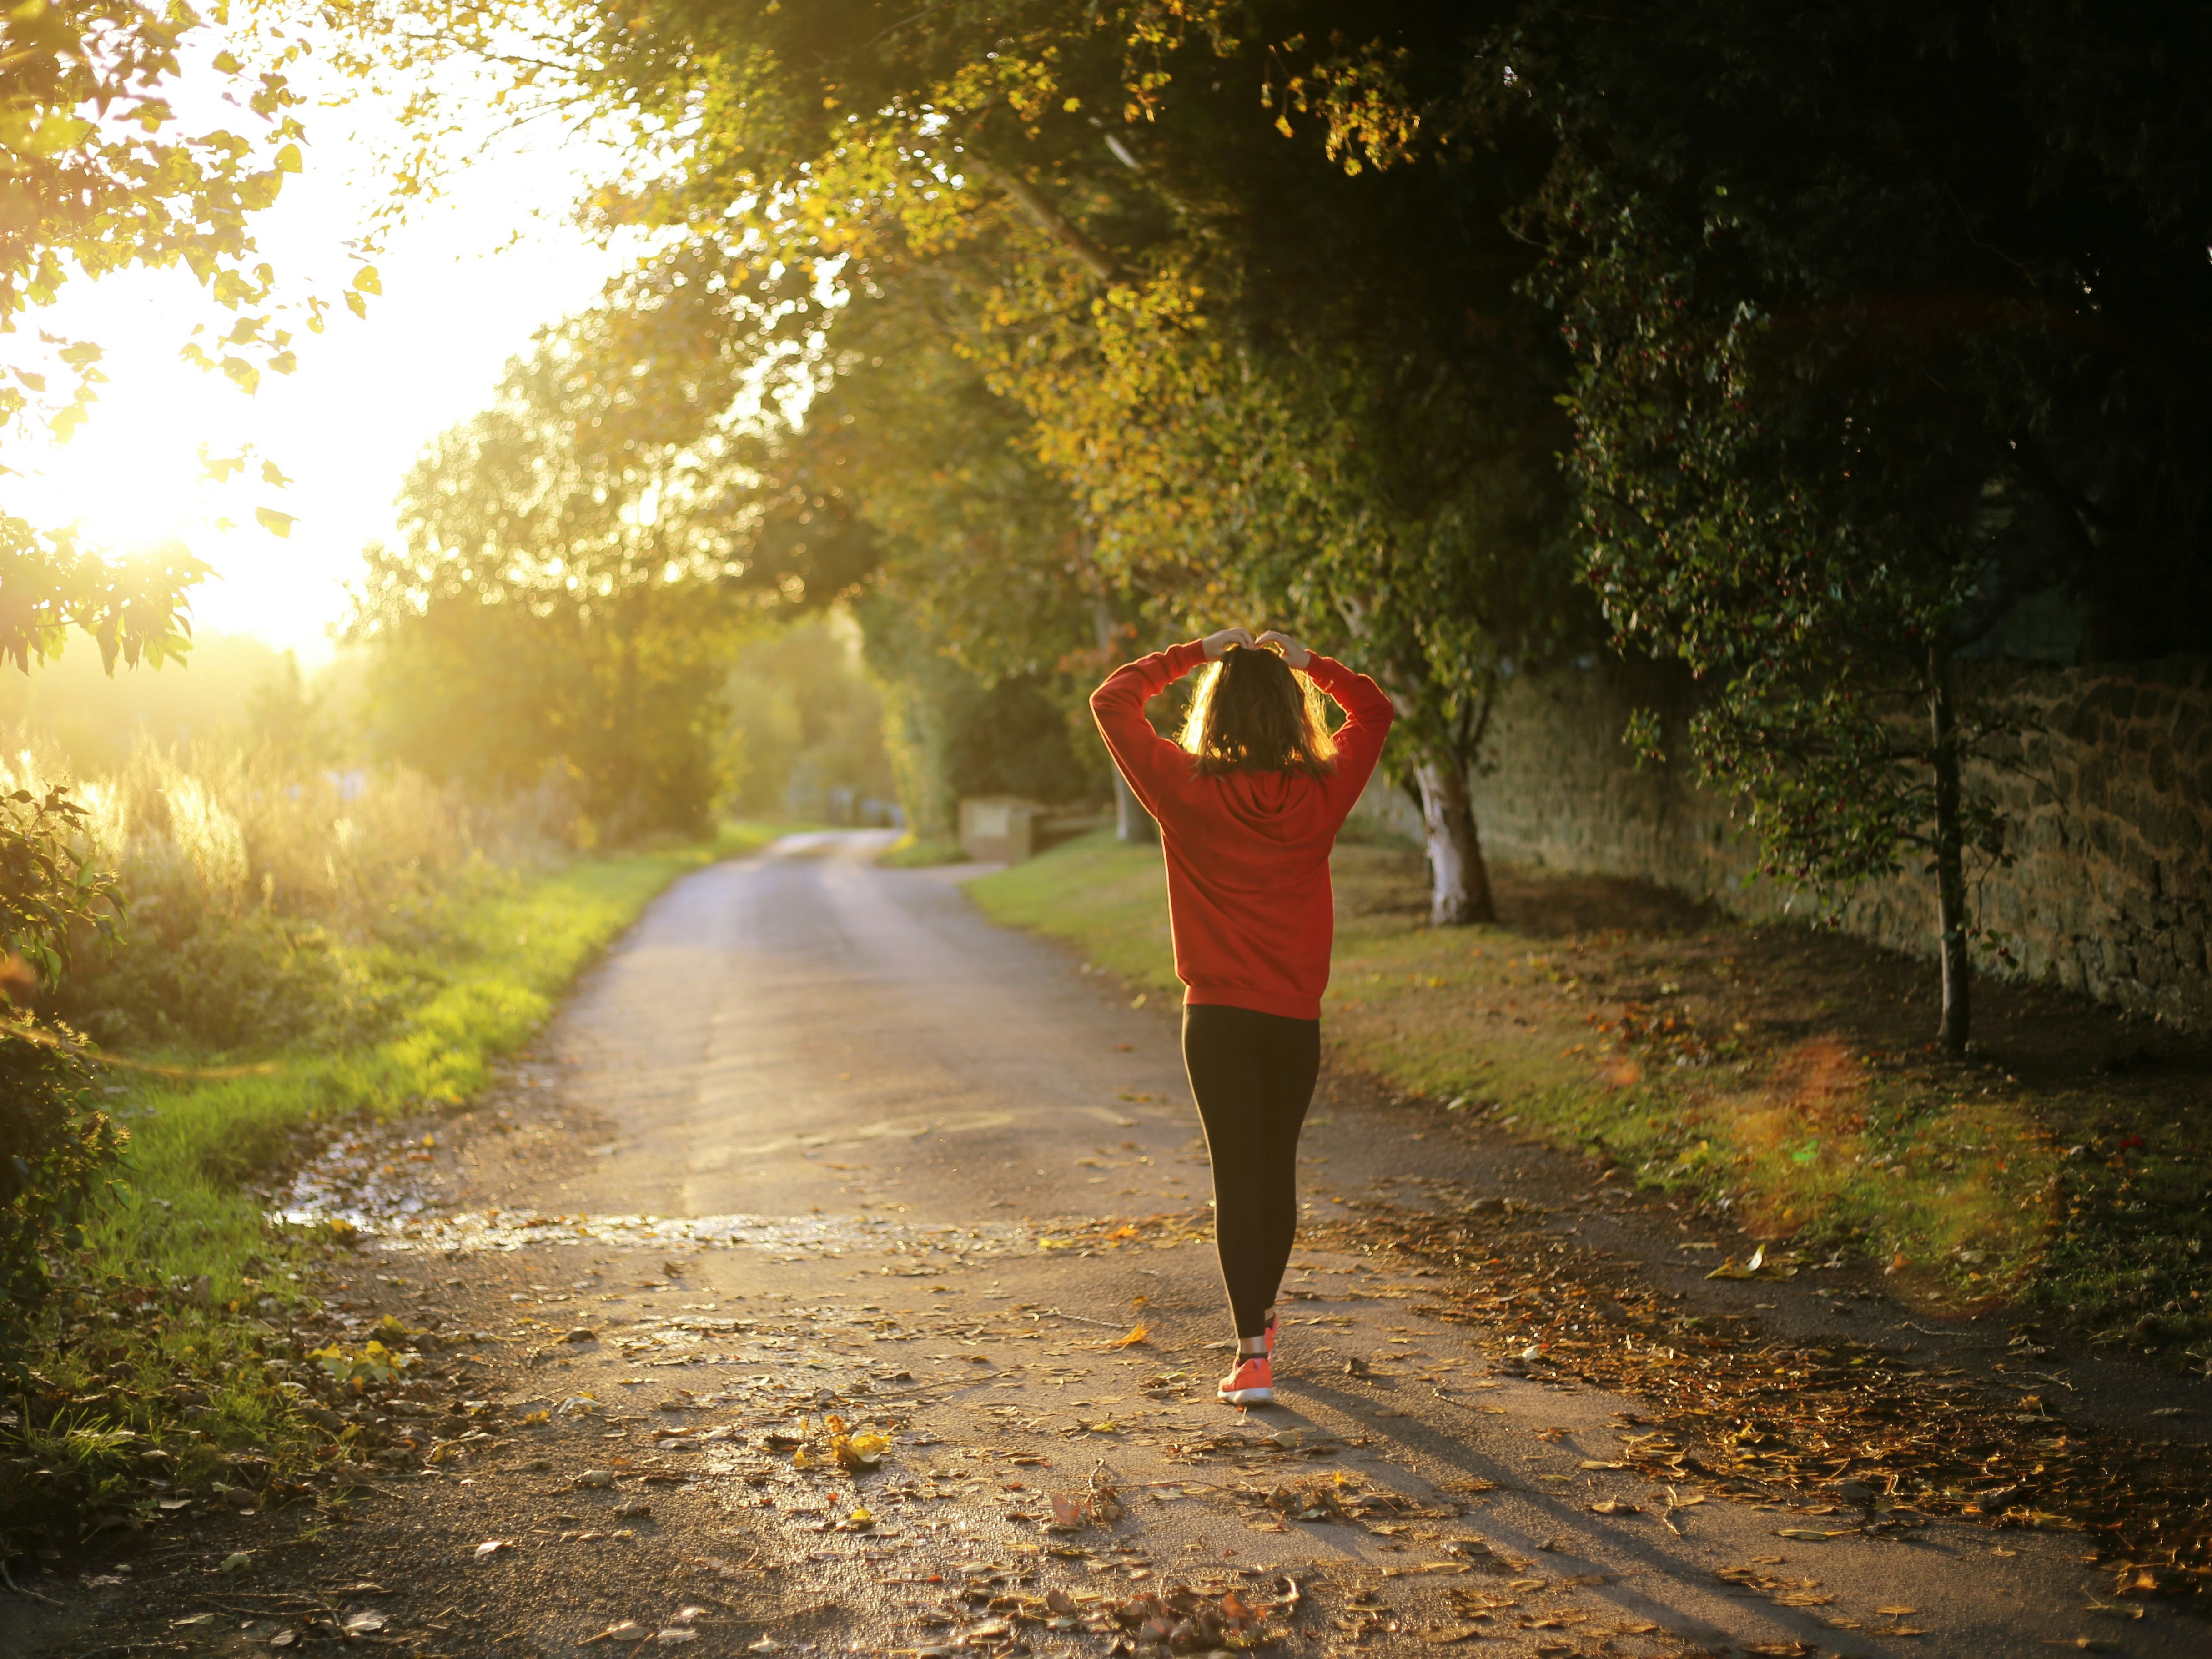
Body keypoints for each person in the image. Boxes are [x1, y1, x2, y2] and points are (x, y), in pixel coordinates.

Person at [1090, 626, 1394, 1405]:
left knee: (1237, 1177)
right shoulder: (1324, 791)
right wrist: (1311, 664)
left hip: (1217, 1018)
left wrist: (1194, 653)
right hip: (1294, 1018)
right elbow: (1375, 710)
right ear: (1294, 716)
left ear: (1215, 714)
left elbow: (1112, 700)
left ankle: (1252, 1353)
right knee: (1276, 1170)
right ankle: (1258, 1321)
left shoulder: (1184, 788)